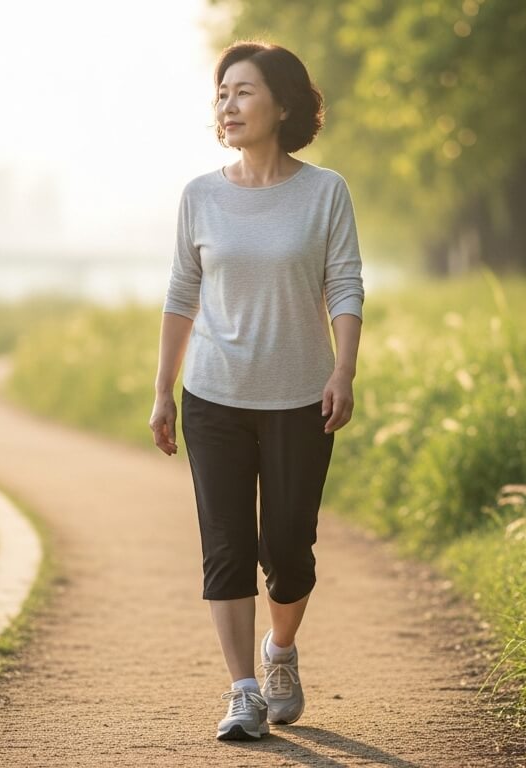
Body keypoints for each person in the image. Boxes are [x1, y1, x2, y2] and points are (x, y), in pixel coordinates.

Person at [149, 40, 365, 741]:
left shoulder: (325, 190)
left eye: (243, 91)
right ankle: (243, 691)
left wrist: (344, 369)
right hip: (214, 396)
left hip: (301, 396)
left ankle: (279, 654)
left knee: (289, 550)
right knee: (227, 547)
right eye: (221, 94)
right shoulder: (200, 196)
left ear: (283, 103)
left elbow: (344, 283)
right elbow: (182, 293)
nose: (229, 105)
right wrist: (163, 391)